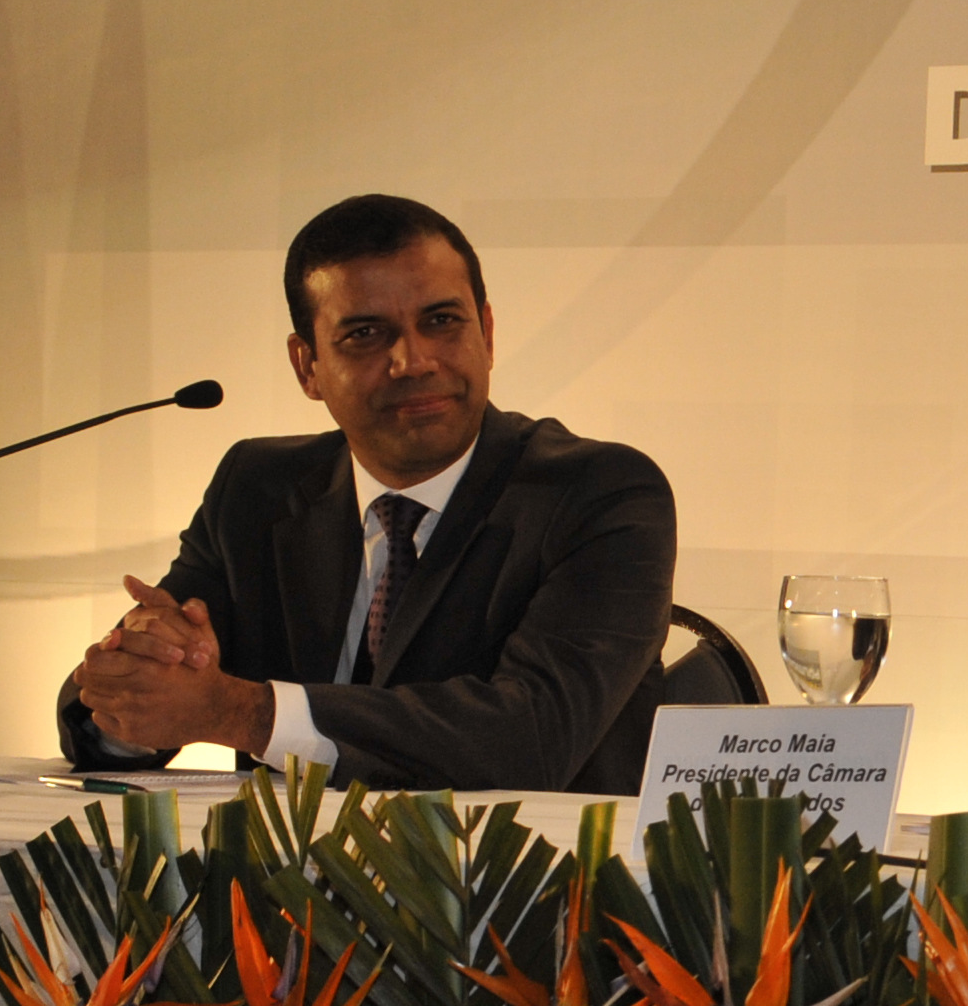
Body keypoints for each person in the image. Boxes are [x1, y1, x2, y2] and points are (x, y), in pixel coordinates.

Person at [60, 193, 676, 794]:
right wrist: (141, 674)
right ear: (308, 367)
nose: (413, 360)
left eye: (441, 321)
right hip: (280, 886)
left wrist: (242, 713)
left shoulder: (601, 494)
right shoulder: (258, 489)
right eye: (365, 334)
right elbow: (97, 718)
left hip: (527, 885)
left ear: (486, 331)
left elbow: (529, 739)